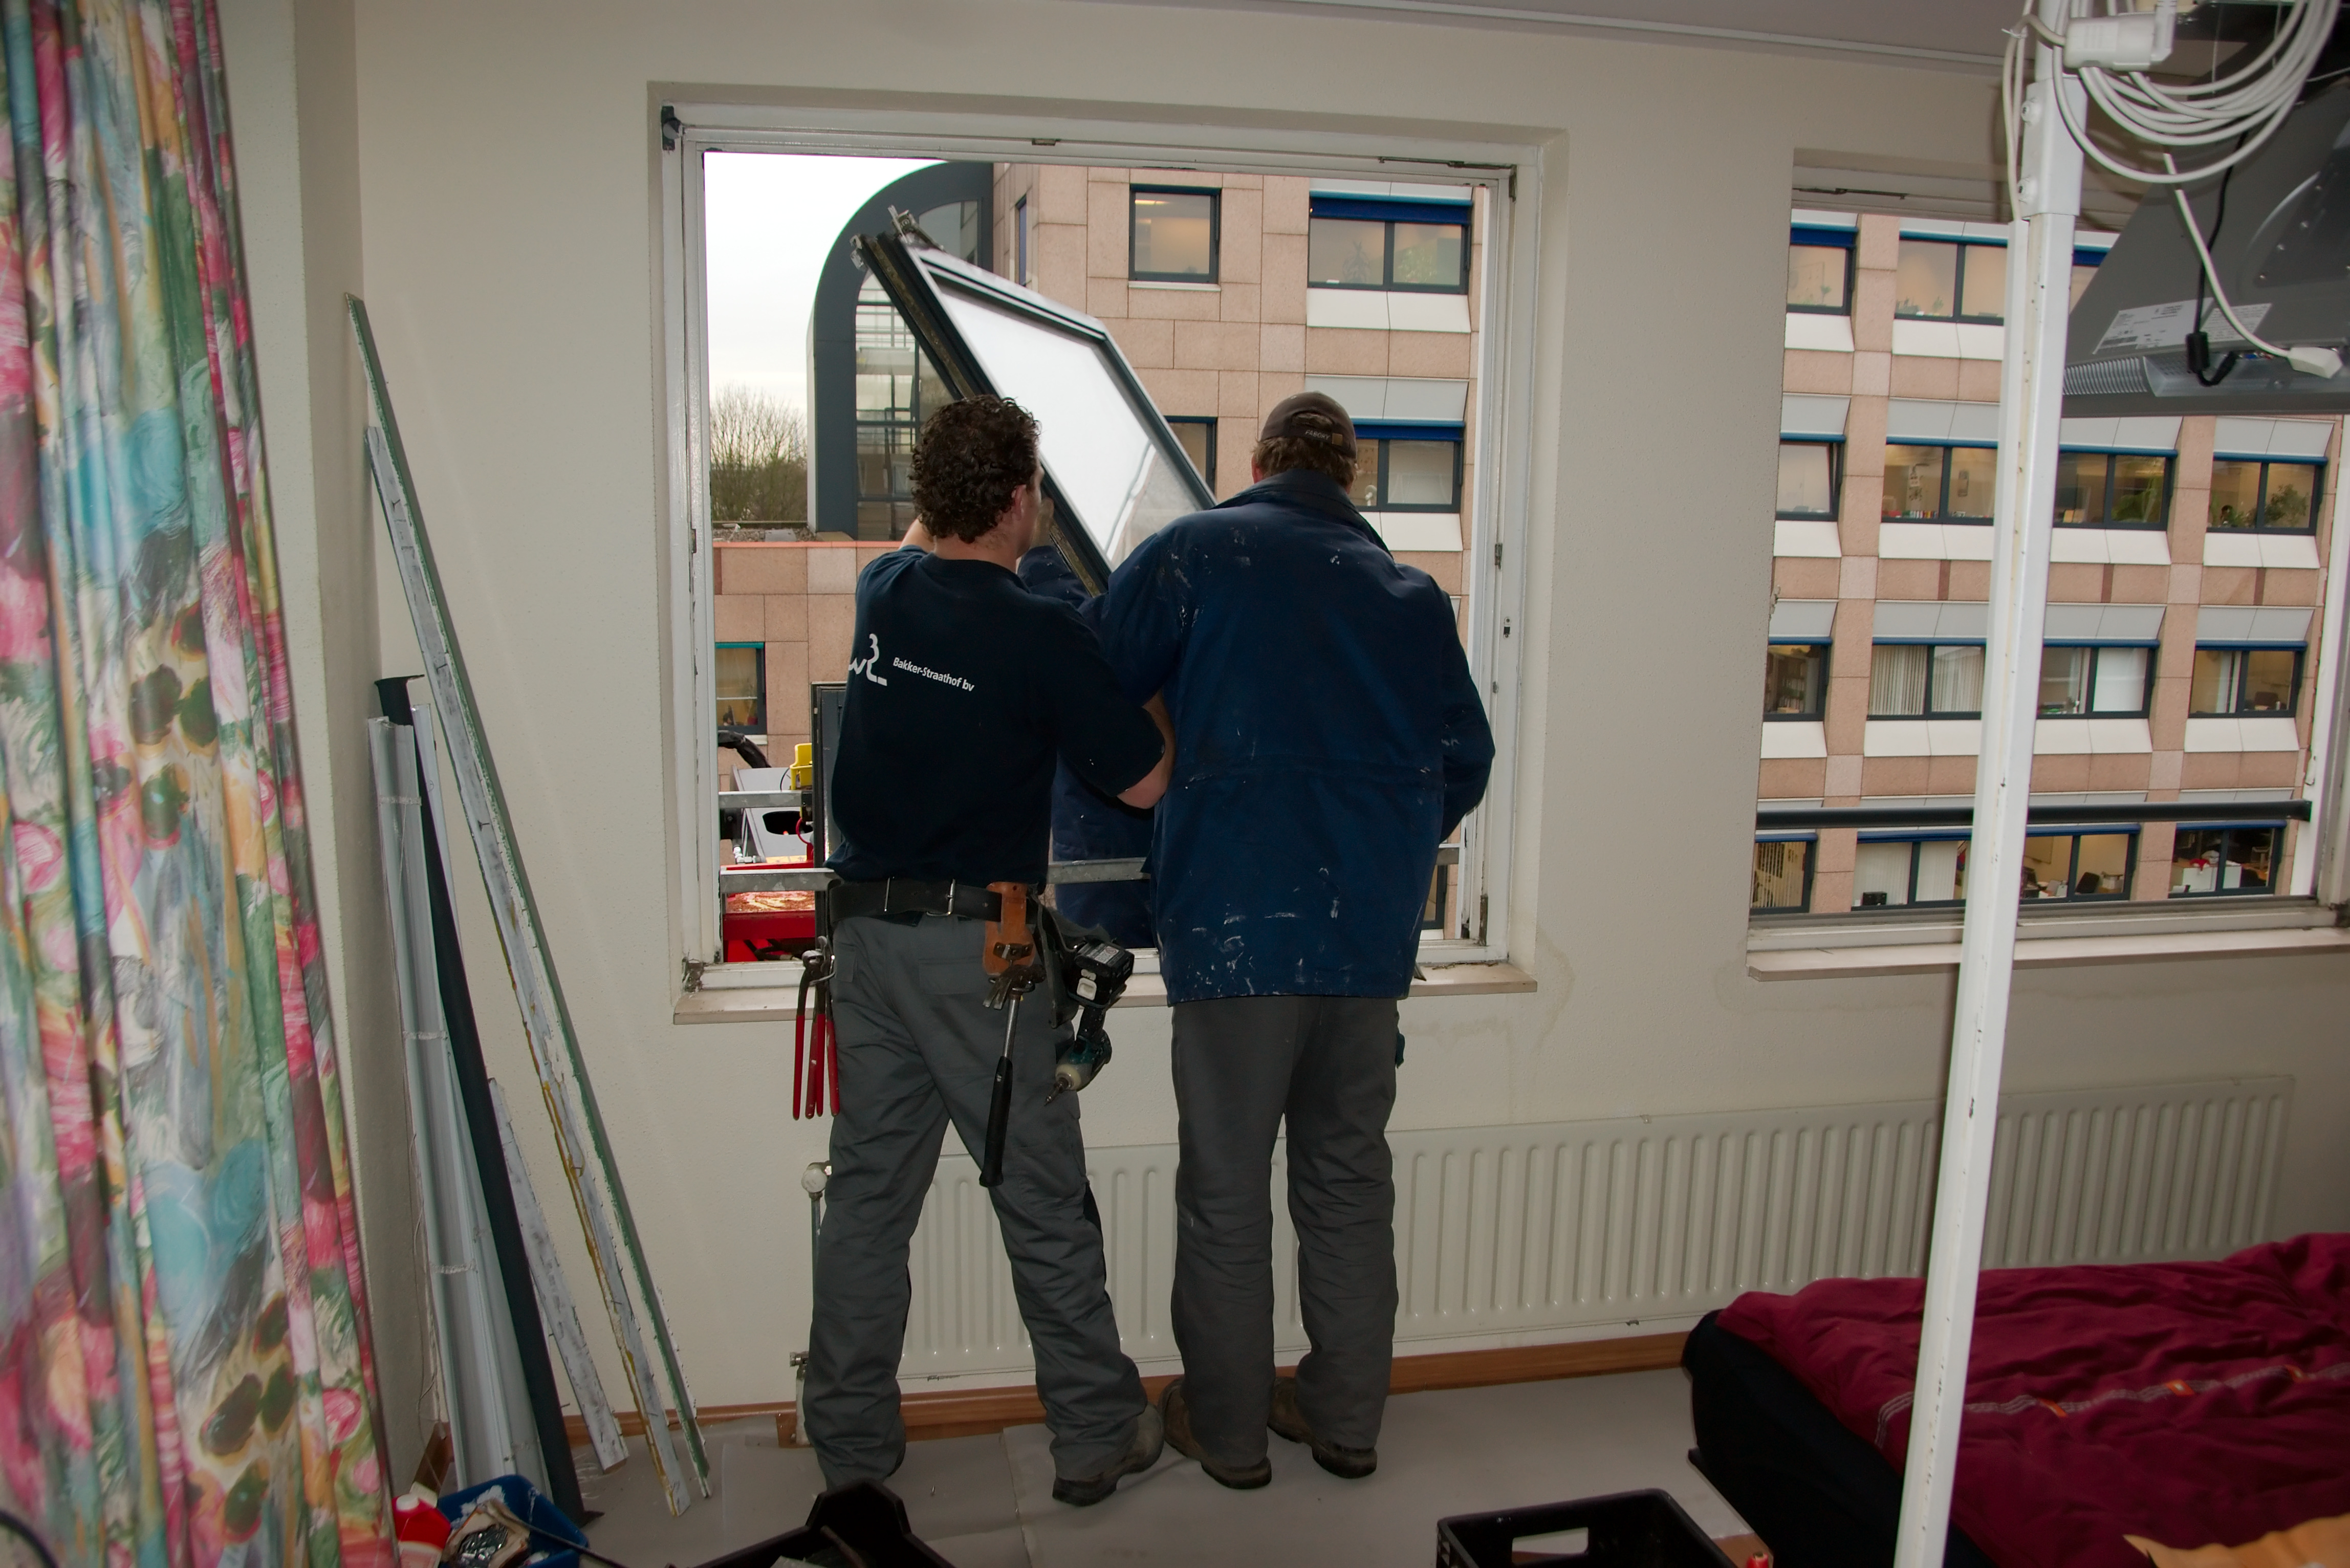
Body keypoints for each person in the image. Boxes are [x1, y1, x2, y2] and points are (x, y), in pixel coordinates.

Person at [1093, 391, 1494, 1488]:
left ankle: (1227, 1437)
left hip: (1235, 938)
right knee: (1347, 1185)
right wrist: (1385, 839)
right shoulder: (1411, 596)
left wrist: (1171, 753)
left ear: (1262, 460)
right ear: (1348, 475)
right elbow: (1465, 759)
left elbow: (1095, 687)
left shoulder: (1196, 553)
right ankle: (1342, 1419)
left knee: (1227, 1195)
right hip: (1364, 946)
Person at [803, 395, 1173, 1506]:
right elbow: (1146, 782)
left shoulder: (885, 590)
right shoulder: (1042, 632)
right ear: (1020, 500)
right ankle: (1096, 1431)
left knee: (869, 1204)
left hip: (866, 943)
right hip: (981, 964)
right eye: (1033, 493)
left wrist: (959, 491)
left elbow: (929, 536)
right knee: (1042, 1199)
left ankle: (851, 1454)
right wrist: (1151, 692)